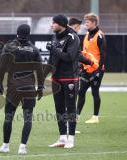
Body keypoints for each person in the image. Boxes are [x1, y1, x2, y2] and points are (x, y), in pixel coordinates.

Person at [0, 24, 43, 154]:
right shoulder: (34, 49)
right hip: (29, 87)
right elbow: (40, 70)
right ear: (29, 34)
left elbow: (1, 68)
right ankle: (22, 147)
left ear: (17, 33)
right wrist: (40, 87)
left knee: (8, 117)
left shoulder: (9, 47)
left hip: (13, 87)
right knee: (28, 117)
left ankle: (5, 146)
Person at [46, 15, 80, 149]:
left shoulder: (73, 37)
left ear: (62, 24)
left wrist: (53, 49)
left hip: (69, 77)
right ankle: (62, 138)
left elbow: (69, 57)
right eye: (52, 22)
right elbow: (51, 58)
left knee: (70, 108)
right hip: (56, 78)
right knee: (59, 108)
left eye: (54, 23)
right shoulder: (54, 37)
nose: (52, 25)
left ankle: (71, 139)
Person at [77, 13, 107, 124]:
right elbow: (84, 53)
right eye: (85, 22)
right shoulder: (86, 35)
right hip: (86, 69)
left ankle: (95, 117)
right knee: (81, 92)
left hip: (96, 70)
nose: (85, 24)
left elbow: (103, 55)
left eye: (87, 22)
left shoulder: (100, 36)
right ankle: (76, 116)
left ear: (94, 23)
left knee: (95, 92)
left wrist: (99, 71)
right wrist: (81, 66)